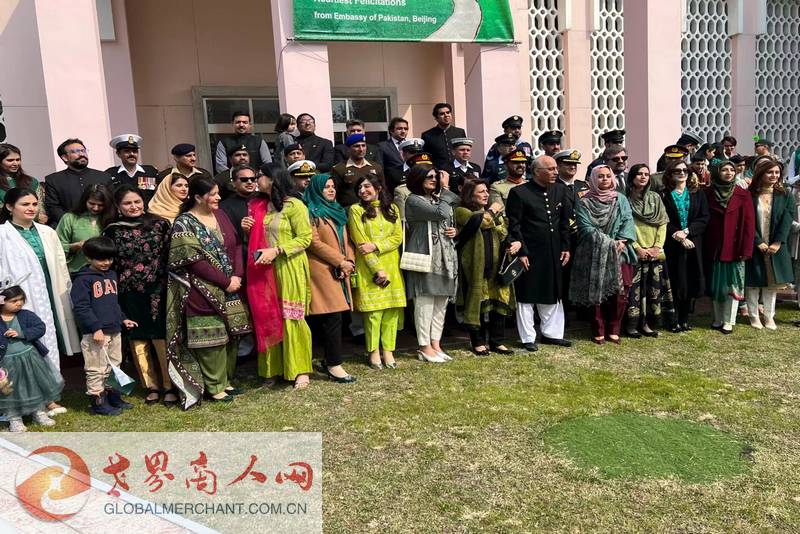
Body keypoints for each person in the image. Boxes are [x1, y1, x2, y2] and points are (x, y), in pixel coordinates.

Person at [166, 178, 251, 408]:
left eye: (218, 193)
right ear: (197, 197)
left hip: (231, 287)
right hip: (201, 289)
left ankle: (226, 380)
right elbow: (193, 261)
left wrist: (237, 276)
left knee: (232, 335)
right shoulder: (184, 223)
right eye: (213, 194)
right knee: (211, 340)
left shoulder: (220, 215)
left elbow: (235, 245)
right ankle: (214, 387)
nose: (218, 198)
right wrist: (225, 281)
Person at [103, 185, 176, 406]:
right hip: (129, 292)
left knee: (160, 337)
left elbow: (170, 255)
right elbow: (110, 263)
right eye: (127, 203)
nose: (133, 206)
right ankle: (151, 385)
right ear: (118, 206)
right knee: (138, 337)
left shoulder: (160, 224)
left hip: (158, 289)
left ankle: (169, 385)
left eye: (137, 201)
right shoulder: (112, 231)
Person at [0, 188, 81, 384]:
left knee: (49, 333)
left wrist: (66, 290)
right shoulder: (2, 234)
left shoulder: (47, 232)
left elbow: (61, 264)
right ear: (10, 207)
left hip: (50, 292)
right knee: (23, 336)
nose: (31, 208)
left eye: (35, 204)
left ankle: (52, 386)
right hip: (20, 294)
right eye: (25, 204)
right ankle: (30, 388)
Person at [250, 170, 313, 389]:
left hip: (289, 265)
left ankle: (300, 369)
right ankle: (272, 369)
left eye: (260, 175)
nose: (256, 180)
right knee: (269, 316)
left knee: (291, 316)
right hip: (264, 269)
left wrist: (277, 250)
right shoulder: (260, 206)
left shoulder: (294, 205)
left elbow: (305, 238)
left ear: (273, 178)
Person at [507, 155, 573, 351]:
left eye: (555, 168)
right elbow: (514, 225)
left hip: (554, 251)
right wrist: (522, 252)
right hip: (530, 251)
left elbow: (564, 222)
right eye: (550, 169)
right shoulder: (519, 193)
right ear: (536, 171)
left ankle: (552, 334)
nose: (555, 172)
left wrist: (565, 247)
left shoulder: (560, 190)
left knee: (552, 290)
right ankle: (528, 337)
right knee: (527, 293)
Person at [569, 165, 637, 344]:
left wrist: (622, 241)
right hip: (593, 252)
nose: (605, 179)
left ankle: (614, 328)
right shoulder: (584, 201)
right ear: (592, 179)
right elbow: (585, 227)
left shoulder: (620, 199)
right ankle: (598, 329)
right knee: (595, 292)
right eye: (600, 176)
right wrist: (610, 243)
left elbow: (628, 221)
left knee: (620, 293)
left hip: (620, 251)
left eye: (608, 176)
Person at [70, 237, 138, 415]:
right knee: (96, 368)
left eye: (109, 258)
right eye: (101, 259)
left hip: (114, 329)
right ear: (88, 258)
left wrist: (123, 319)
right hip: (96, 334)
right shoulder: (82, 280)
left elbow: (113, 303)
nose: (106, 262)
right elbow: (81, 307)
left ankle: (113, 397)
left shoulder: (111, 275)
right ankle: (98, 402)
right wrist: (95, 328)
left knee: (114, 365)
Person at [348, 174, 405, 369]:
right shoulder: (356, 210)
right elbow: (360, 242)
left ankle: (388, 351)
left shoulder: (392, 208)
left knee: (391, 311)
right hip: (369, 267)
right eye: (359, 188)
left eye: (367, 187)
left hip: (392, 265)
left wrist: (376, 245)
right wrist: (377, 269)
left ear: (378, 187)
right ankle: (373, 351)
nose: (363, 191)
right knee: (373, 313)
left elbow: (397, 237)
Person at [304, 173, 356, 383]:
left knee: (335, 317)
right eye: (326, 187)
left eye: (333, 186)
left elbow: (347, 240)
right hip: (321, 270)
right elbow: (313, 242)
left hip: (340, 268)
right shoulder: (311, 211)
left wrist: (349, 261)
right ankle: (334, 364)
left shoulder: (338, 210)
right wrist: (340, 261)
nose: (331, 190)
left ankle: (329, 360)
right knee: (332, 317)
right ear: (317, 189)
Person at [404, 165, 459, 363]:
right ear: (417, 178)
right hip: (426, 257)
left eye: (436, 176)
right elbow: (440, 213)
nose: (434, 180)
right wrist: (445, 189)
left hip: (445, 257)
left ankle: (436, 344)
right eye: (429, 176)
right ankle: (424, 346)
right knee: (424, 303)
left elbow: (453, 207)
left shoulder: (437, 198)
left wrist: (455, 231)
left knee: (440, 303)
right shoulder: (413, 200)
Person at [454, 180, 514, 355]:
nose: (486, 194)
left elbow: (504, 231)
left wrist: (514, 242)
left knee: (498, 300)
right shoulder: (462, 211)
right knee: (477, 302)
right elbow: (481, 222)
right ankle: (478, 342)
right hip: (475, 265)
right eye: (481, 191)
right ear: (470, 194)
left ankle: (497, 341)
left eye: (487, 191)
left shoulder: (492, 212)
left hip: (496, 265)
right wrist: (493, 211)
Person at [0, 286, 64, 431]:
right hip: (6, 363)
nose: (19, 303)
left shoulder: (26, 315)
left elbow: (40, 327)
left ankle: (39, 412)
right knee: (9, 390)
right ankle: (14, 418)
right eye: (14, 301)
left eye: (21, 299)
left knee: (33, 385)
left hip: (29, 359)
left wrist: (22, 333)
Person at [703, 160, 755, 334]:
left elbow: (749, 224)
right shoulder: (708, 193)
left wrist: (746, 249)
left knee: (732, 285)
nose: (729, 173)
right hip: (714, 246)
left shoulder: (743, 194)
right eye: (724, 170)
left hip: (735, 248)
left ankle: (729, 320)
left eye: (731, 170)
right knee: (716, 285)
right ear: (717, 173)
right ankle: (717, 319)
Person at [745, 157, 796, 330]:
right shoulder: (750, 194)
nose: (774, 175)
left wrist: (778, 242)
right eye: (770, 172)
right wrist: (757, 241)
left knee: (772, 283)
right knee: (753, 281)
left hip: (776, 245)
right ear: (761, 173)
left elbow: (787, 219)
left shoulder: (785, 195)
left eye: (777, 172)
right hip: (755, 244)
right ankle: (753, 316)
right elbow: (747, 221)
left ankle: (769, 316)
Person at [624, 164, 672, 338]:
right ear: (632, 177)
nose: (643, 177)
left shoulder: (655, 197)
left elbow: (663, 223)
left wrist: (657, 247)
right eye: (639, 174)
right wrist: (637, 248)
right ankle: (631, 325)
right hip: (634, 252)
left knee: (653, 290)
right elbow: (623, 227)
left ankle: (648, 324)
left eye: (646, 174)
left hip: (654, 253)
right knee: (634, 292)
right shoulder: (624, 199)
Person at [661, 160, 710, 332]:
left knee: (690, 280)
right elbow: (663, 219)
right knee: (675, 281)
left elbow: (704, 217)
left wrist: (687, 231)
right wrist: (678, 236)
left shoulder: (698, 194)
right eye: (677, 171)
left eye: (684, 170)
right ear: (670, 174)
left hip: (693, 243)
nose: (681, 173)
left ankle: (684, 319)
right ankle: (672, 320)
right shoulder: (664, 195)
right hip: (672, 244)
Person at [44, 138, 112, 227]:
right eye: (75, 152)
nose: (81, 154)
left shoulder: (104, 177)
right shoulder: (53, 180)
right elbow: (53, 207)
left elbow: (111, 204)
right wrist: (72, 224)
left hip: (101, 225)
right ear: (64, 157)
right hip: (68, 227)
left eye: (83, 151)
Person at [555, 149, 588, 309]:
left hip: (583, 237)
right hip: (563, 238)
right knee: (564, 274)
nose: (572, 167)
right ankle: (565, 310)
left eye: (575, 164)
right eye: (568, 164)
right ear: (558, 166)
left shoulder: (583, 186)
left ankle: (581, 309)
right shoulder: (553, 186)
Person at [55, 184, 114, 273]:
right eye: (91, 204)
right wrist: (75, 246)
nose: (96, 208)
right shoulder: (70, 218)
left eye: (100, 205)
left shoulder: (110, 219)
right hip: (76, 272)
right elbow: (56, 247)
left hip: (106, 273)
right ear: (84, 201)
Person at [332, 133, 385, 208]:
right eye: (357, 146)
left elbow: (382, 190)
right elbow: (335, 193)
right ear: (349, 149)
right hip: (349, 210)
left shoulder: (376, 167)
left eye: (363, 145)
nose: (361, 149)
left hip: (374, 209)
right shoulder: (339, 169)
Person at [105, 134, 159, 203]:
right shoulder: (110, 174)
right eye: (127, 151)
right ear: (118, 154)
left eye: (135, 151)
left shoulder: (150, 172)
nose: (132, 154)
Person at [0, 144, 45, 224]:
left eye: (18, 160)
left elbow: (41, 210)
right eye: (10, 160)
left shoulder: (31, 181)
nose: (15, 163)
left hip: (32, 225)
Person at [421, 103, 467, 169]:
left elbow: (464, 152)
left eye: (448, 112)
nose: (446, 115)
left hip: (458, 170)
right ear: (436, 118)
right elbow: (426, 158)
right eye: (442, 114)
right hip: (438, 171)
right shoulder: (427, 135)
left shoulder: (460, 132)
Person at [220, 165, 258, 243]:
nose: (249, 182)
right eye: (244, 179)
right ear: (233, 183)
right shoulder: (224, 206)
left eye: (253, 179)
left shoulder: (265, 200)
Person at [378, 117, 409, 190]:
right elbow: (380, 169)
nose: (403, 131)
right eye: (399, 129)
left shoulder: (411, 145)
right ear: (391, 131)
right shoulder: (382, 146)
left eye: (405, 129)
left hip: (411, 186)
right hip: (392, 187)